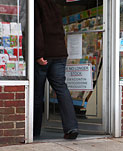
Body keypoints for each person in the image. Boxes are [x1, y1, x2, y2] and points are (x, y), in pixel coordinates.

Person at [34, 0, 78, 139]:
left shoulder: (36, 3)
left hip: (45, 54)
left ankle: (34, 130)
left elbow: (37, 28)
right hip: (59, 53)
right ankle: (71, 127)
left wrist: (38, 53)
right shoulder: (55, 4)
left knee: (37, 93)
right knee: (61, 89)